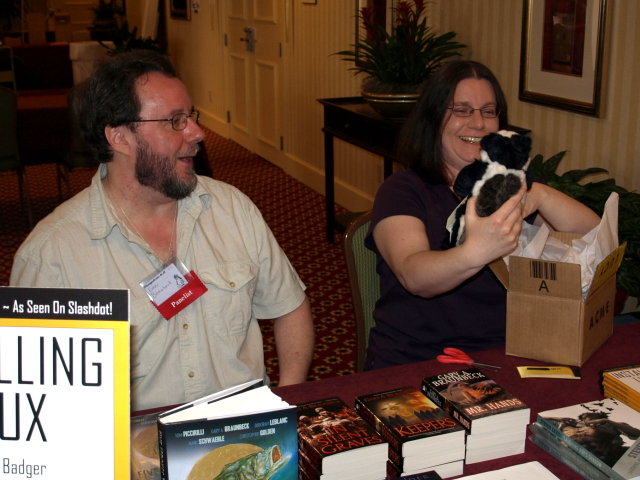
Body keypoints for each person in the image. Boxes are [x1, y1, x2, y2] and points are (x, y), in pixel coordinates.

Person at [10, 50, 314, 411]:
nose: (197, 132)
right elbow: (38, 405)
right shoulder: (52, 256)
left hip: (240, 438)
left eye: (191, 116)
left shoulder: (231, 208)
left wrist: (284, 401)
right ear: (119, 138)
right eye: (174, 121)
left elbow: (290, 307)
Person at [364, 60, 600, 370]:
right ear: (433, 120)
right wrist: (475, 251)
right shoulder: (403, 190)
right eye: (462, 110)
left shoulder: (508, 187)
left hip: (508, 357)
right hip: (418, 359)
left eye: (489, 111)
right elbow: (414, 275)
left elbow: (594, 236)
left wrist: (538, 195)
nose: (478, 123)